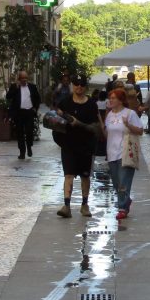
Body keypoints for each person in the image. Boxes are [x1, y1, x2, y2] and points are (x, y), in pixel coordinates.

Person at [55, 75, 99, 218]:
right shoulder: (65, 102)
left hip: (86, 146)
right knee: (68, 175)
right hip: (68, 145)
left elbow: (95, 128)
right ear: (72, 85)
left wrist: (78, 124)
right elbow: (57, 122)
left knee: (85, 176)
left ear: (85, 86)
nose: (78, 86)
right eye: (76, 84)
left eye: (81, 84)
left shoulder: (91, 104)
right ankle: (66, 206)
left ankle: (84, 205)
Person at [102, 87, 144, 220]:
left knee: (123, 182)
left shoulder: (129, 113)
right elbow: (107, 133)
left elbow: (140, 130)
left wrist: (128, 125)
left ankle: (122, 208)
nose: (111, 100)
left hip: (125, 152)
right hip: (111, 152)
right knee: (116, 182)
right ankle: (126, 200)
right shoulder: (109, 115)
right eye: (110, 98)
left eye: (113, 98)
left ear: (120, 100)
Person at [6, 70, 41, 159]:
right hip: (19, 113)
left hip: (29, 112)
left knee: (29, 131)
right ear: (19, 79)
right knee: (20, 133)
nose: (24, 80)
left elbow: (37, 99)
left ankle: (29, 147)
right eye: (22, 78)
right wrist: (15, 88)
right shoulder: (15, 87)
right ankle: (22, 151)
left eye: (26, 78)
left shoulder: (32, 87)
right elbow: (8, 96)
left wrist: (35, 108)